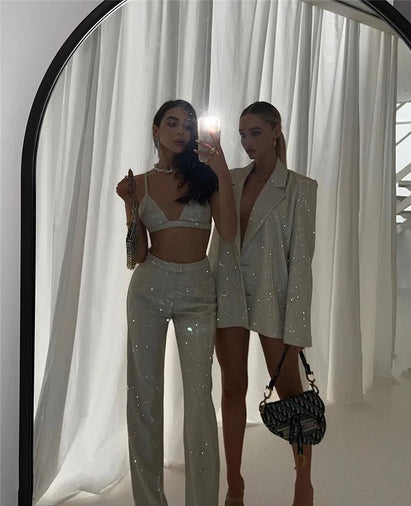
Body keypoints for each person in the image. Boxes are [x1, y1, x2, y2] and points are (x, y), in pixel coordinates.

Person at [116, 99, 236, 506]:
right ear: (156, 130)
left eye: (188, 124)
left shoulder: (206, 178)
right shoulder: (140, 183)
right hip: (148, 289)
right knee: (143, 397)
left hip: (198, 292)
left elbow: (229, 231)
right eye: (172, 122)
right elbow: (137, 256)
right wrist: (130, 204)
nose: (182, 131)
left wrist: (220, 164)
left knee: (200, 399)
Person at [208, 101, 318, 506]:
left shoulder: (301, 188)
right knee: (232, 387)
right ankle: (234, 484)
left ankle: (303, 480)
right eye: (242, 134)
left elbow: (301, 260)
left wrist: (297, 326)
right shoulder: (230, 178)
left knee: (291, 392)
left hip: (274, 295)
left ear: (275, 131)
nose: (247, 142)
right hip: (228, 290)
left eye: (255, 132)